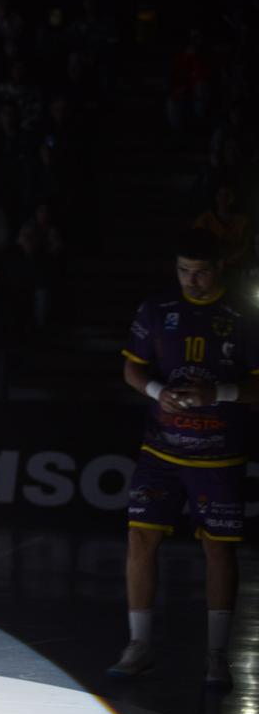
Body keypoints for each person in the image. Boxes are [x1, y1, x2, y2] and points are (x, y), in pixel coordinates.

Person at [111, 232, 257, 687]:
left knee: (218, 549)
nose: (191, 281)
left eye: (200, 272)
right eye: (183, 271)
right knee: (140, 540)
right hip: (161, 449)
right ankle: (139, 645)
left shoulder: (243, 316)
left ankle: (216, 655)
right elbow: (132, 368)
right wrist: (158, 391)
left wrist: (220, 393)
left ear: (219, 270)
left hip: (220, 454)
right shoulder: (157, 311)